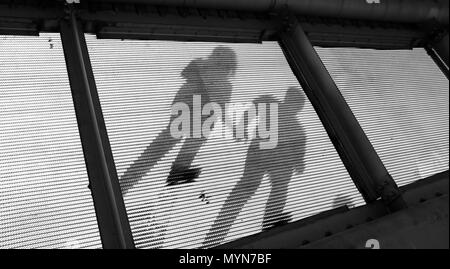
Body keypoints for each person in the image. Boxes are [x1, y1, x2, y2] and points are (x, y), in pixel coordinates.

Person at [120, 46, 237, 194]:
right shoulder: (220, 80)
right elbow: (219, 106)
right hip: (197, 115)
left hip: (188, 113)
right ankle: (176, 172)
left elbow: (188, 78)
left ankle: (123, 185)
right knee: (181, 146)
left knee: (155, 152)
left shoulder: (202, 69)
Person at [202, 87, 307, 248]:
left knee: (275, 189)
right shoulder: (274, 106)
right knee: (255, 189)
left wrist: (298, 162)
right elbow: (252, 109)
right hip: (263, 153)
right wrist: (242, 127)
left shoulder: (296, 129)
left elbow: (299, 158)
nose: (293, 107)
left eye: (296, 105)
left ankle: (266, 230)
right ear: (288, 99)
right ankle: (218, 235)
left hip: (274, 158)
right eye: (293, 102)